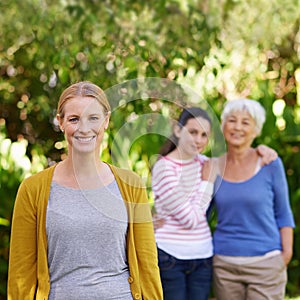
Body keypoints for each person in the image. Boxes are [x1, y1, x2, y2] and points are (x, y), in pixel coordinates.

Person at [8, 81, 163, 300]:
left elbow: (148, 265)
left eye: (93, 118)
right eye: (74, 119)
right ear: (61, 122)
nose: (84, 128)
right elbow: (20, 275)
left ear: (106, 121)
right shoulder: (33, 190)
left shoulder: (131, 185)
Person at [212, 98, 295, 300]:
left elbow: (283, 213)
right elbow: (198, 213)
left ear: (256, 130)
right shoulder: (211, 167)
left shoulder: (270, 164)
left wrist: (285, 256)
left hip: (266, 263)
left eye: (246, 122)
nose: (238, 127)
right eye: (232, 120)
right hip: (224, 265)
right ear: (223, 126)